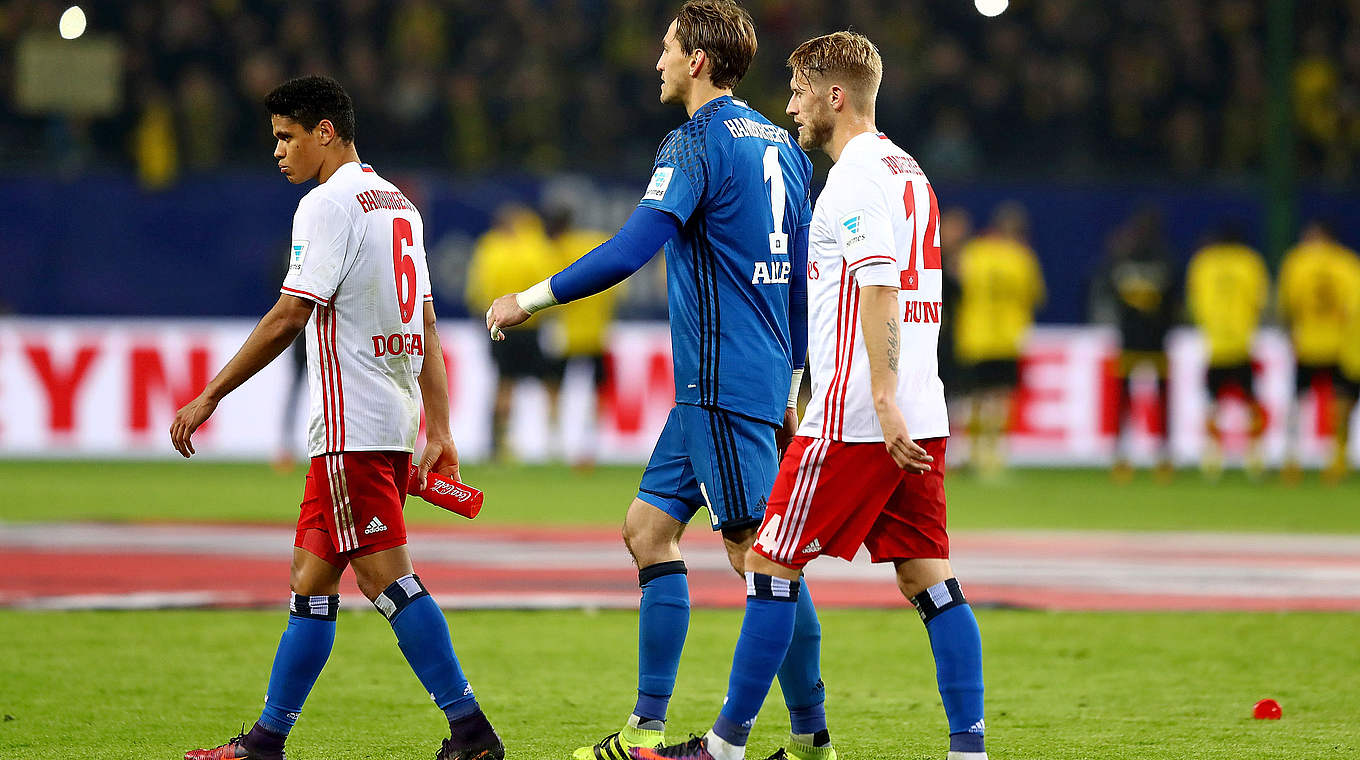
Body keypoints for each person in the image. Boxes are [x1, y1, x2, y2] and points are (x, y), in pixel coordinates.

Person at [485, 4, 831, 759]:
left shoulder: (696, 142)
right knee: (647, 531)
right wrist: (795, 377)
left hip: (719, 383)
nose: (657, 62)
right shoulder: (785, 146)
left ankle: (810, 738)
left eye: (668, 48)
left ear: (699, 60)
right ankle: (646, 726)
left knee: (759, 558)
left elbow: (634, 247)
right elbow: (803, 280)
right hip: (745, 380)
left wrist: (530, 299)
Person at [635, 30, 986, 760]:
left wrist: (880, 398)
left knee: (768, 562)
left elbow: (881, 286)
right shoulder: (908, 169)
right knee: (929, 577)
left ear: (835, 96)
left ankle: (726, 746)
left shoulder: (855, 175)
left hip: (861, 414)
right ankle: (968, 749)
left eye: (798, 92)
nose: (789, 106)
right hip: (925, 407)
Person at [170, 76, 503, 760]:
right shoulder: (400, 205)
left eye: (287, 137)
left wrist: (210, 394)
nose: (278, 152)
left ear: (326, 132)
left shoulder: (327, 206)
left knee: (387, 581)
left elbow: (291, 313)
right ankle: (265, 743)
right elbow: (429, 326)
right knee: (311, 578)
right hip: (385, 421)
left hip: (351, 427)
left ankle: (472, 733)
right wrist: (438, 429)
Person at [953, 202, 1045, 479]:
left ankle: (970, 452)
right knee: (1001, 398)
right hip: (1007, 338)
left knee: (973, 398)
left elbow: (956, 286)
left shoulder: (974, 253)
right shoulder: (1022, 257)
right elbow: (1036, 295)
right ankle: (993, 458)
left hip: (974, 335)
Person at [465, 204, 560, 461]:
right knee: (550, 380)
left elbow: (477, 288)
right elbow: (549, 281)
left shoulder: (489, 248)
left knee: (504, 382)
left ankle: (500, 443)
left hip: (499, 323)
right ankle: (554, 440)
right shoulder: (535, 246)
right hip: (530, 324)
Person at [1093, 209, 1180, 482]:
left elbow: (1103, 291)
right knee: (1159, 399)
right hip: (1155, 340)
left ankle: (1122, 457)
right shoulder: (1165, 259)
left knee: (1126, 401)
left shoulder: (1122, 259)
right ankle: (1162, 457)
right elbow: (1176, 300)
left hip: (1132, 338)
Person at [1185, 223, 1271, 479]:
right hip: (1242, 343)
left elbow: (1194, 301)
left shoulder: (1204, 261)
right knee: (1250, 401)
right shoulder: (1250, 261)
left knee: (1213, 402)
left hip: (1216, 344)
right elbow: (1260, 300)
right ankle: (1254, 455)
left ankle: (1212, 455)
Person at [1276, 219, 1360, 482]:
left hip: (1308, 343)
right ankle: (1338, 460)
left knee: (1298, 402)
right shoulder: (1347, 262)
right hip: (1340, 346)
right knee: (1343, 402)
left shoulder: (1297, 261)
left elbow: (1286, 303)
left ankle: (1292, 460)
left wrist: (1289, 331)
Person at [542, 205, 617, 469]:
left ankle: (554, 445)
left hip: (564, 333)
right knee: (597, 391)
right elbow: (618, 284)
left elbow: (547, 285)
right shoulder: (596, 242)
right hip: (596, 332)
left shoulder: (556, 249)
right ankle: (590, 445)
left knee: (554, 388)